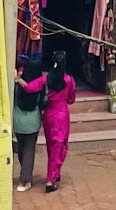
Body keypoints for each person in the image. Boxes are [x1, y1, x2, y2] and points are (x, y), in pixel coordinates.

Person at [42, 50, 77, 192]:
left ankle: (56, 174)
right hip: (62, 116)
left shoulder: (45, 79)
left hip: (48, 116)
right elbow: (71, 99)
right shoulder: (68, 80)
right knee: (61, 146)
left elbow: (30, 87)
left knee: (52, 146)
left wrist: (20, 81)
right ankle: (51, 179)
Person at [14, 59, 46, 191]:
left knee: (21, 148)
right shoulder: (40, 86)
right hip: (33, 121)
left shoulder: (17, 85)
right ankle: (25, 179)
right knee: (29, 149)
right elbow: (43, 103)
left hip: (18, 121)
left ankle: (25, 172)